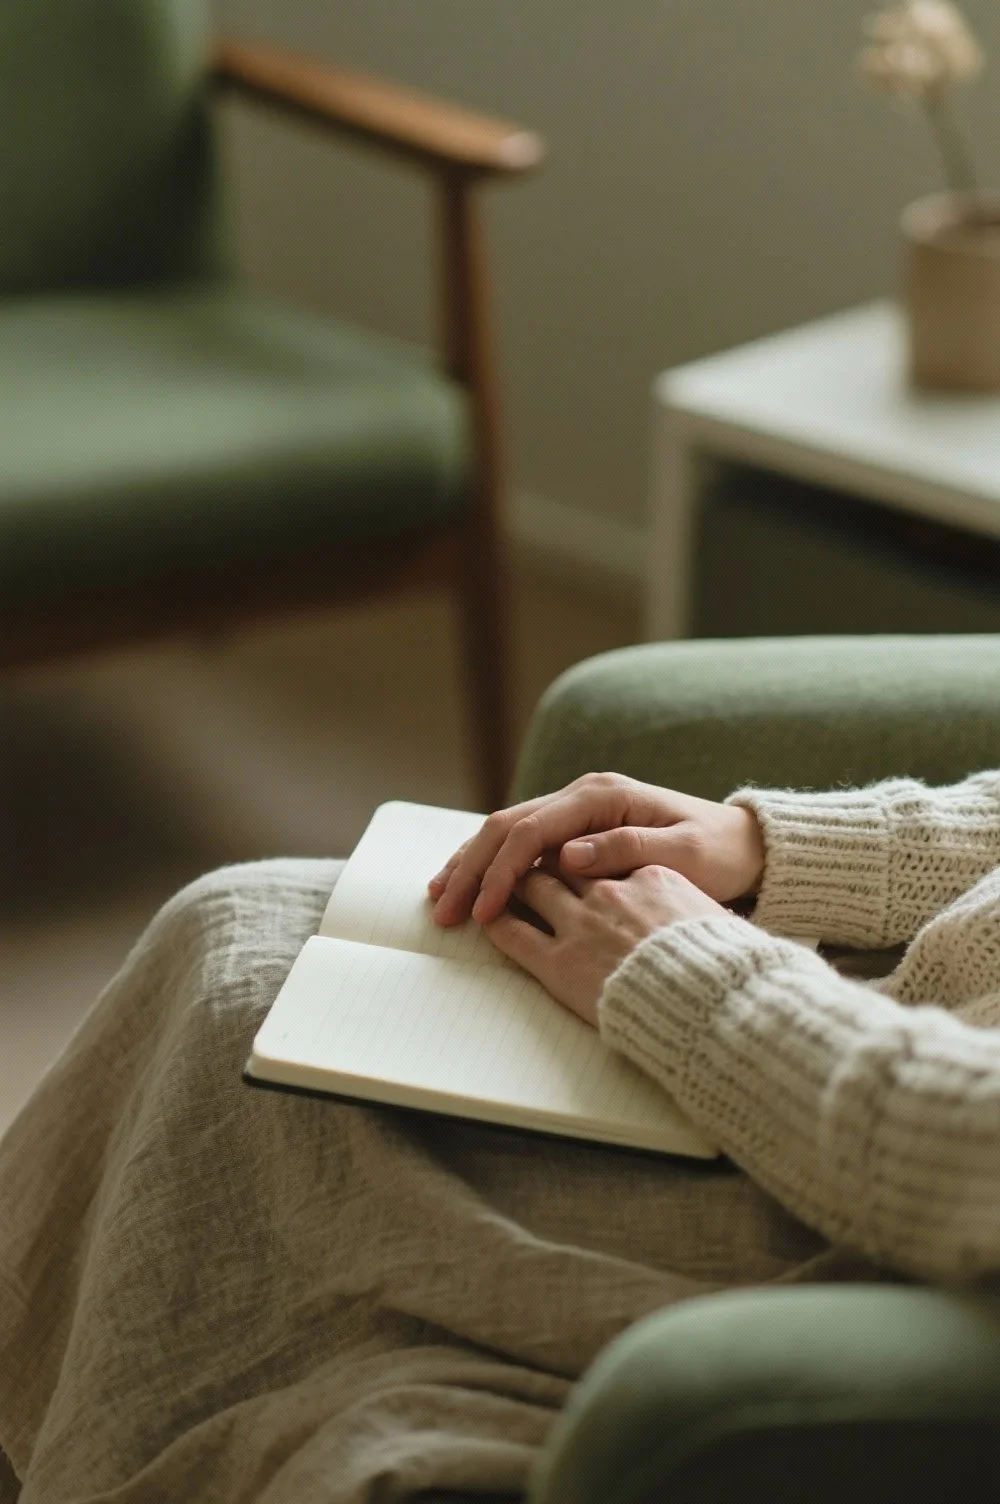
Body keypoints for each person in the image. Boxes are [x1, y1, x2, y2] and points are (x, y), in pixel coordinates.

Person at [1, 767, 999, 1503]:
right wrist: (765, 845)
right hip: (883, 1004)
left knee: (259, 1089)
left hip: (869, 1192)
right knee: (230, 930)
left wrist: (691, 975)